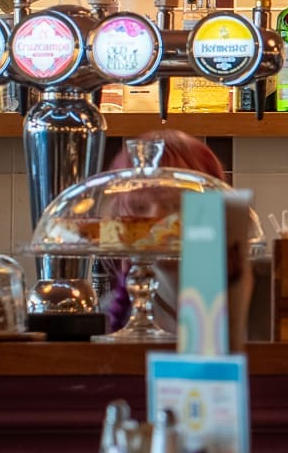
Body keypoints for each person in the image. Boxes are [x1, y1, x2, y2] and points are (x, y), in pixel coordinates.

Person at [98, 129, 231, 333]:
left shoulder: (246, 302)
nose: (156, 221)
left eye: (173, 207)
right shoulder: (109, 316)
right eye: (140, 208)